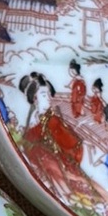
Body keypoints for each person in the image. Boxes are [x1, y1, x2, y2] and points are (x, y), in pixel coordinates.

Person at [18, 72, 92, 200]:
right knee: (47, 160)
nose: (47, 98)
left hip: (60, 162)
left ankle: (67, 193)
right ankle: (65, 193)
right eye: (43, 94)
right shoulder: (35, 119)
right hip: (41, 162)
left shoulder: (53, 119)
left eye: (48, 94)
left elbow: (71, 142)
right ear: (34, 98)